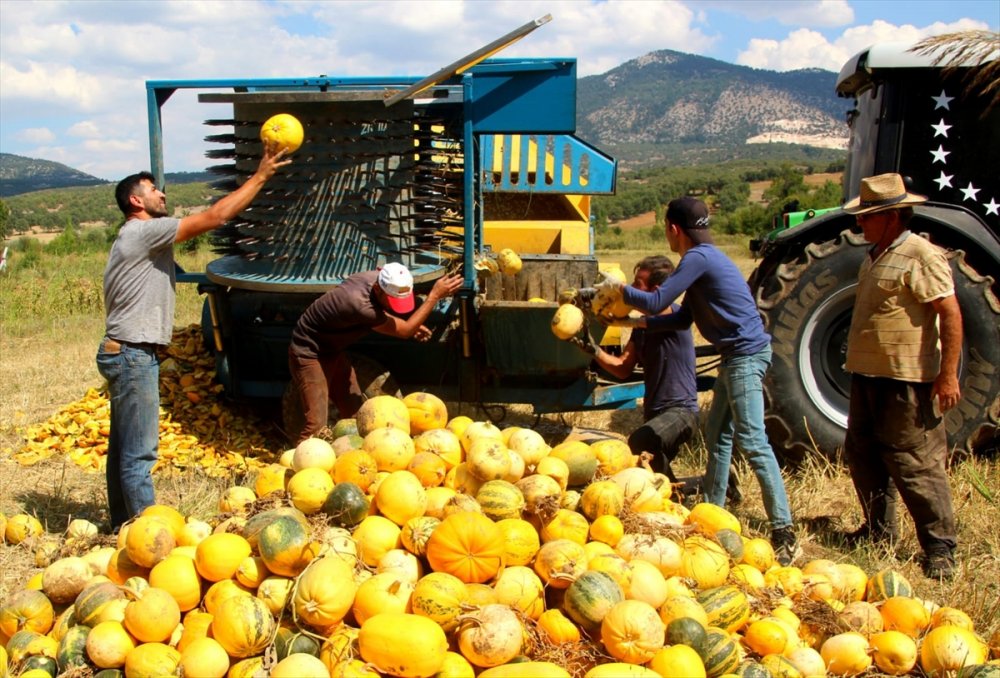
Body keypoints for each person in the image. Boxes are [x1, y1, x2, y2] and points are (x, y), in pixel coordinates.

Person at [100, 144, 291, 531]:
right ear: (135, 201)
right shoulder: (144, 232)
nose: (162, 194)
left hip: (123, 350)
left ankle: (122, 528)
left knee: (123, 449)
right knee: (139, 454)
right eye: (153, 190)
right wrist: (261, 175)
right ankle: (148, 537)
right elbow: (216, 216)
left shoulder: (133, 238)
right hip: (133, 354)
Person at [605, 197, 798, 565]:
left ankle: (784, 531)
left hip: (744, 356)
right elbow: (681, 319)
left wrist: (617, 290)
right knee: (717, 436)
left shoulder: (697, 258)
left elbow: (657, 301)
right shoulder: (705, 259)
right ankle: (713, 510)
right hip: (735, 356)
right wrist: (630, 323)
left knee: (752, 440)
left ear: (673, 228)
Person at [841, 173, 962, 580]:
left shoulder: (921, 255)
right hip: (868, 375)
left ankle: (940, 547)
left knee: (915, 462)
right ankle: (878, 530)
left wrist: (947, 376)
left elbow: (949, 312)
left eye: (867, 216)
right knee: (863, 452)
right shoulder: (875, 254)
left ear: (892, 216)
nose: (860, 222)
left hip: (906, 379)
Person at [288, 263, 462, 442]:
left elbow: (384, 313)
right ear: (379, 289)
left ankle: (354, 451)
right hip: (309, 352)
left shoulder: (378, 278)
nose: (395, 306)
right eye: (392, 301)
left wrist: (408, 324)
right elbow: (404, 330)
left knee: (356, 413)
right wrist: (433, 296)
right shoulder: (358, 304)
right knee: (315, 427)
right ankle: (299, 457)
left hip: (331, 349)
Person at [574, 256, 700, 487]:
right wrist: (594, 350)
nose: (631, 289)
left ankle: (677, 491)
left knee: (640, 442)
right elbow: (623, 368)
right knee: (648, 476)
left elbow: (654, 310)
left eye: (637, 285)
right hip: (655, 415)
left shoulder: (674, 317)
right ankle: (705, 485)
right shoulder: (641, 326)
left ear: (657, 292)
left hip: (680, 412)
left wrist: (616, 302)